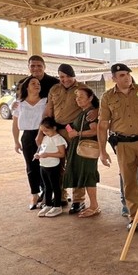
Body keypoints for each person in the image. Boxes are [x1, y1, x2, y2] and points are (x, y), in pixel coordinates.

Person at [98, 63, 138, 230]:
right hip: (123, 144)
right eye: (121, 75)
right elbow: (103, 124)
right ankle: (135, 217)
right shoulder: (107, 97)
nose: (126, 77)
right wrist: (102, 151)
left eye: (127, 74)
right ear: (113, 78)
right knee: (129, 182)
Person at [44, 64, 93, 213]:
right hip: (56, 130)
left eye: (67, 76)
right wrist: (43, 132)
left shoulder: (82, 88)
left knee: (75, 166)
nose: (65, 80)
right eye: (61, 77)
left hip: (73, 130)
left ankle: (78, 200)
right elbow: (49, 110)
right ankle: (62, 196)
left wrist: (95, 113)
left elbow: (94, 105)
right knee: (57, 165)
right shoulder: (54, 89)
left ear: (73, 75)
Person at [63, 86, 101, 218]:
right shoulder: (84, 112)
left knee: (88, 176)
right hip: (81, 149)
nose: (78, 99)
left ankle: (94, 206)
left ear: (90, 98)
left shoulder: (90, 113)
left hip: (87, 150)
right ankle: (93, 205)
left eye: (81, 97)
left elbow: (95, 130)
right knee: (85, 175)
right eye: (77, 97)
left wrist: (77, 133)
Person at [12, 76, 47, 210]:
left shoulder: (45, 102)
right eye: (33, 83)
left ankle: (46, 192)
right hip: (27, 136)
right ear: (27, 87)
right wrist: (16, 142)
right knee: (31, 166)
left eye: (38, 83)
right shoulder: (19, 104)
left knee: (44, 164)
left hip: (43, 135)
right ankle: (34, 194)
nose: (37, 85)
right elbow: (15, 125)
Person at [36, 117, 67, 218]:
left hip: (53, 166)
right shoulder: (45, 137)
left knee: (55, 187)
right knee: (46, 186)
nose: (45, 133)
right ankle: (48, 204)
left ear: (54, 128)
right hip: (43, 165)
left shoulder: (58, 139)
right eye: (43, 131)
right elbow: (42, 149)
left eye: (47, 130)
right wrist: (38, 154)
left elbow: (62, 154)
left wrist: (48, 154)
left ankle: (57, 206)